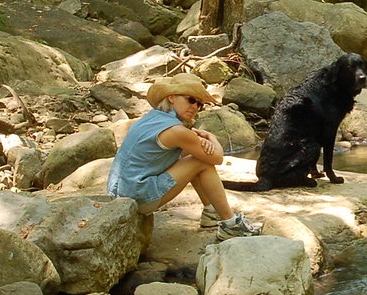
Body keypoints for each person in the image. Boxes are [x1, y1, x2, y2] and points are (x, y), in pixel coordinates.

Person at [107, 73, 261, 241]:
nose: (195, 107)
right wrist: (212, 138)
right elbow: (217, 158)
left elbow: (181, 150)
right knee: (201, 161)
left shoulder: (152, 118)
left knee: (195, 156)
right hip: (138, 196)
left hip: (121, 191)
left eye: (200, 104)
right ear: (171, 97)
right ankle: (231, 225)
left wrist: (197, 142)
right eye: (191, 100)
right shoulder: (176, 131)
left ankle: (211, 212)